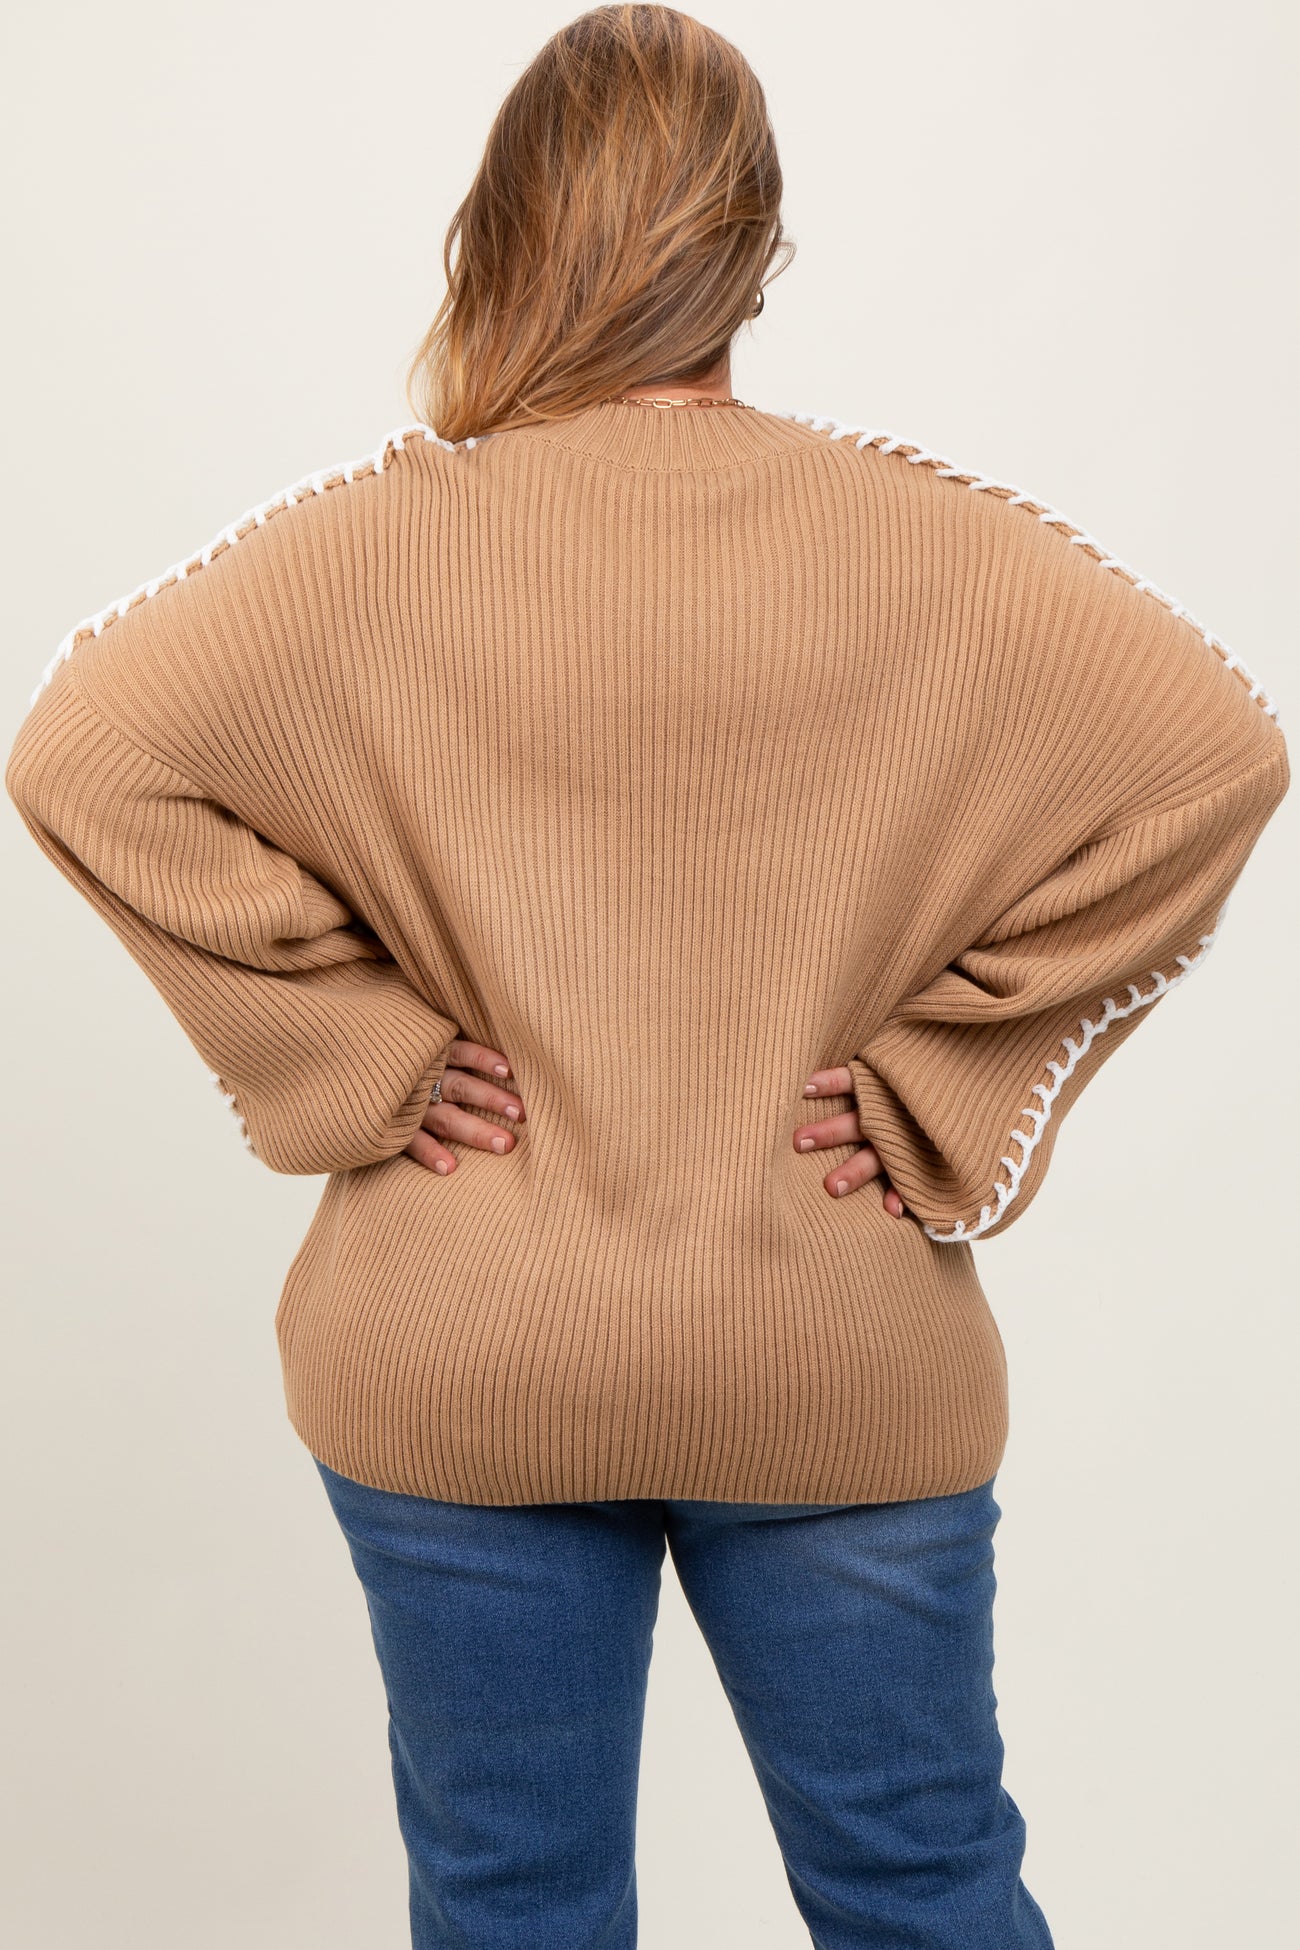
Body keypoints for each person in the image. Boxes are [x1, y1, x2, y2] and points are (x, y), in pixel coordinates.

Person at [5, 8, 1288, 1948]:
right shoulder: (924, 542)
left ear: (501, 229)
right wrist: (943, 1078)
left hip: (462, 1341)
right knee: (922, 1885)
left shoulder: (379, 538)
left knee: (510, 1902)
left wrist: (355, 1053)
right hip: (829, 1340)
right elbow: (1218, 753)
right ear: (753, 251)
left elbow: (76, 752)